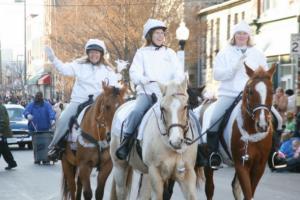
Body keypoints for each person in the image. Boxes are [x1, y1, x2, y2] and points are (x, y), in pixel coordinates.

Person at [207, 20, 286, 169]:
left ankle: (275, 154)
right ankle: (213, 154)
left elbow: (265, 75)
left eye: (244, 33)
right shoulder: (224, 53)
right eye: (239, 33)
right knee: (213, 120)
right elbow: (217, 75)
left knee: (279, 119)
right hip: (229, 93)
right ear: (234, 36)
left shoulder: (257, 53)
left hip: (253, 96)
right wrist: (233, 68)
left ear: (248, 36)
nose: (242, 36)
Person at [115, 19, 184, 160]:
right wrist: (143, 79)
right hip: (148, 92)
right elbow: (134, 73)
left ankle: (199, 148)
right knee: (136, 111)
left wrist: (177, 81)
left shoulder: (170, 53)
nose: (160, 36)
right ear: (149, 36)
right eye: (156, 33)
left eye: (162, 33)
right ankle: (126, 142)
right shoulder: (142, 53)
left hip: (169, 94)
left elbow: (179, 72)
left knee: (189, 112)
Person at [45, 39, 120, 161]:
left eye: (97, 52)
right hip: (79, 101)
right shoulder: (79, 65)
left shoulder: (109, 70)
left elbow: (114, 88)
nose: (94, 55)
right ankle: (56, 145)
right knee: (64, 119)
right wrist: (53, 59)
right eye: (91, 52)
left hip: (99, 103)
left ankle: (120, 145)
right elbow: (64, 69)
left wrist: (119, 87)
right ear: (87, 53)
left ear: (101, 54)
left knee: (115, 118)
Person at [0, 98, 17, 170]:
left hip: (2, 132)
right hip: (2, 132)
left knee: (3, 148)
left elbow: (3, 121)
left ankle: (12, 163)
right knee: (4, 149)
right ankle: (12, 163)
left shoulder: (1, 108)